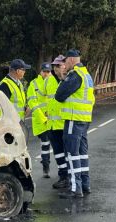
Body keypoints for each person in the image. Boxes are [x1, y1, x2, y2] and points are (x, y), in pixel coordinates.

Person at [55, 49, 95, 198]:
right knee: (82, 154)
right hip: (84, 119)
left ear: (71, 60)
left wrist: (63, 78)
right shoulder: (87, 75)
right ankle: (85, 185)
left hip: (74, 119)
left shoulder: (75, 75)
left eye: (65, 61)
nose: (64, 64)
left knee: (72, 154)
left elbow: (59, 95)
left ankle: (75, 188)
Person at [26, 62, 52, 177]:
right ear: (40, 71)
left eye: (48, 71)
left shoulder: (53, 82)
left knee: (56, 145)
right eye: (44, 71)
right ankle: (46, 167)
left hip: (52, 119)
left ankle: (57, 170)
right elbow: (33, 104)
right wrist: (43, 118)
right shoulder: (33, 84)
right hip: (41, 121)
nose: (46, 74)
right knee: (45, 144)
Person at [48, 55, 70, 189]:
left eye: (59, 65)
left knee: (66, 152)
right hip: (52, 123)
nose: (56, 68)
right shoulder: (50, 80)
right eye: (55, 66)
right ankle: (63, 175)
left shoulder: (68, 80)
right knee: (58, 152)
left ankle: (66, 176)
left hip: (64, 123)